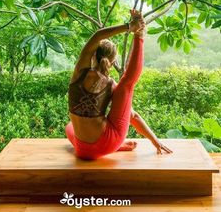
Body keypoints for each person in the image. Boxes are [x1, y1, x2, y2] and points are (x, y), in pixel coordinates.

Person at [65, 10, 172, 159]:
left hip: (82, 149)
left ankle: (114, 146)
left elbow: (97, 36)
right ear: (113, 61)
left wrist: (129, 26)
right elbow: (133, 116)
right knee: (126, 85)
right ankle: (140, 37)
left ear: (92, 55)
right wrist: (155, 140)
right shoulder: (111, 85)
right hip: (107, 144)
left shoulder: (79, 73)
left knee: (69, 127)